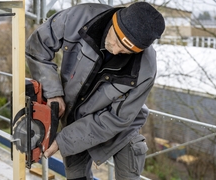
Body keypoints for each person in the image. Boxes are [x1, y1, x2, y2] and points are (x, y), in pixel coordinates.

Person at [25, 2, 165, 180]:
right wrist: (53, 92)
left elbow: (116, 119)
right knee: (76, 177)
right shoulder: (79, 18)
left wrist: (63, 140)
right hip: (74, 119)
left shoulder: (145, 69)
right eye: (117, 40)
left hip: (120, 128)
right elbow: (37, 48)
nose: (115, 51)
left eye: (126, 51)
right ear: (114, 20)